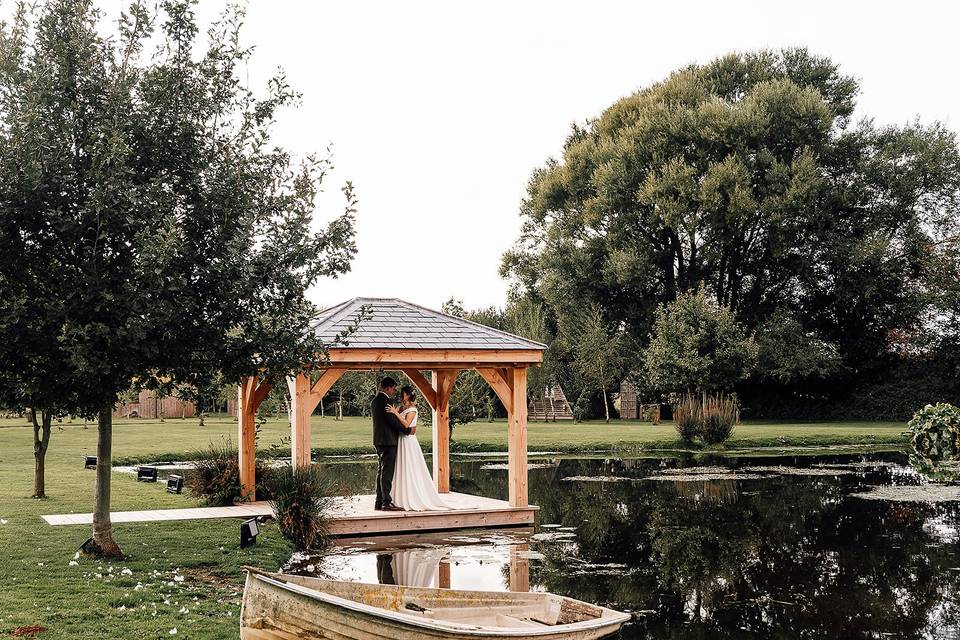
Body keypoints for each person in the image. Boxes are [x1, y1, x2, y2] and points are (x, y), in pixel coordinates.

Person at [386, 385, 454, 511]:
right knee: (400, 467)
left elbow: (407, 424)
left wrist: (395, 413)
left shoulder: (413, 409)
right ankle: (398, 496)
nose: (401, 395)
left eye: (403, 393)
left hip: (408, 441)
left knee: (409, 467)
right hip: (400, 440)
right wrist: (396, 412)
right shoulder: (402, 407)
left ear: (408, 395)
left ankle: (412, 496)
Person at [372, 377, 412, 511]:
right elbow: (392, 421)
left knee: (381, 471)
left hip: (379, 440)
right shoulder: (386, 401)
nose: (395, 391)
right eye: (394, 388)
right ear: (387, 388)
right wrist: (406, 430)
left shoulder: (375, 400)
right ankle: (386, 502)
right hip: (388, 441)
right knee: (387, 472)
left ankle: (379, 501)